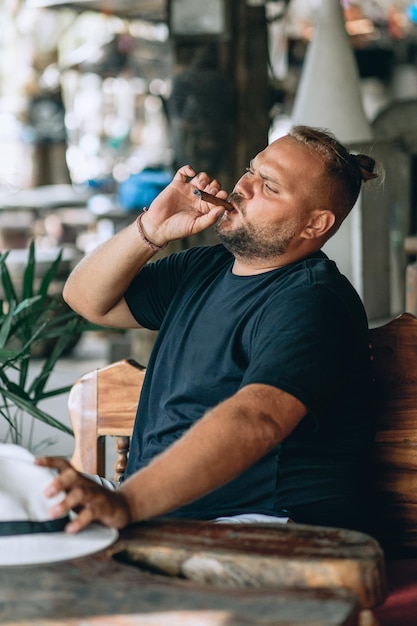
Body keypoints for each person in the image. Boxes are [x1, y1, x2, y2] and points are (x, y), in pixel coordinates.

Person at [37, 125, 381, 535]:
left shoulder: (313, 299)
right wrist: (151, 229)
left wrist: (127, 502)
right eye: (252, 170)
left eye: (269, 187)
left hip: (268, 527)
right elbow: (87, 299)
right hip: (167, 516)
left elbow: (257, 418)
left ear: (315, 224)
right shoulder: (203, 268)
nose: (244, 186)